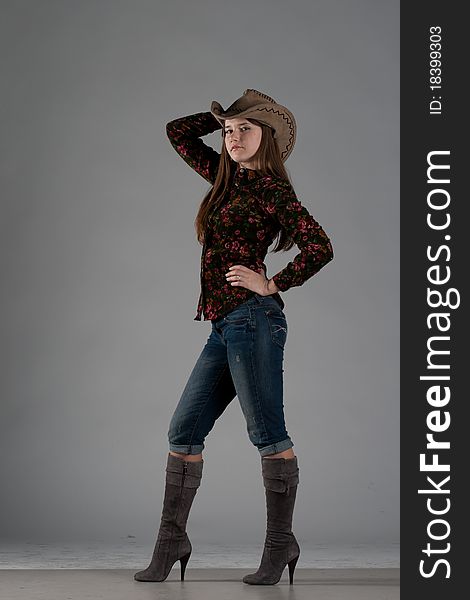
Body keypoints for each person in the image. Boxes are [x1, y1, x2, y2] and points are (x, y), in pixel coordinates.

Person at [134, 89, 334, 586]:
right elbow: (176, 133)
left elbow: (319, 246)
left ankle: (280, 545)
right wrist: (218, 115)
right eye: (228, 132)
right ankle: (171, 541)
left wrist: (273, 282)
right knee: (183, 433)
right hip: (225, 324)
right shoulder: (224, 182)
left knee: (268, 435)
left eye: (246, 129)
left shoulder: (269, 189)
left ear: (266, 136)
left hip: (253, 318)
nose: (233, 138)